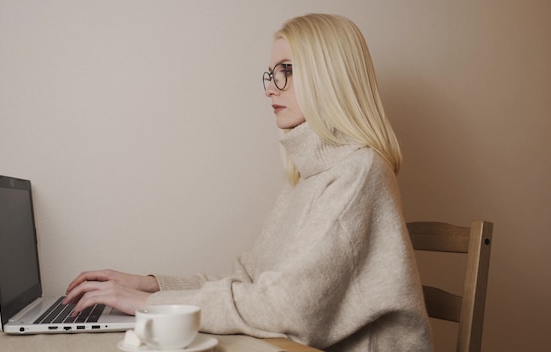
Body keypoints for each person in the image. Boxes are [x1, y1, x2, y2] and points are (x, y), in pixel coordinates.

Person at [64, 13, 431, 351]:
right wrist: (155, 285)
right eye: (270, 73)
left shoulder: (358, 171)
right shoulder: (308, 176)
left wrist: (150, 305)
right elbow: (250, 280)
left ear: (329, 75)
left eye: (286, 69)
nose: (271, 88)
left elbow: (289, 308)